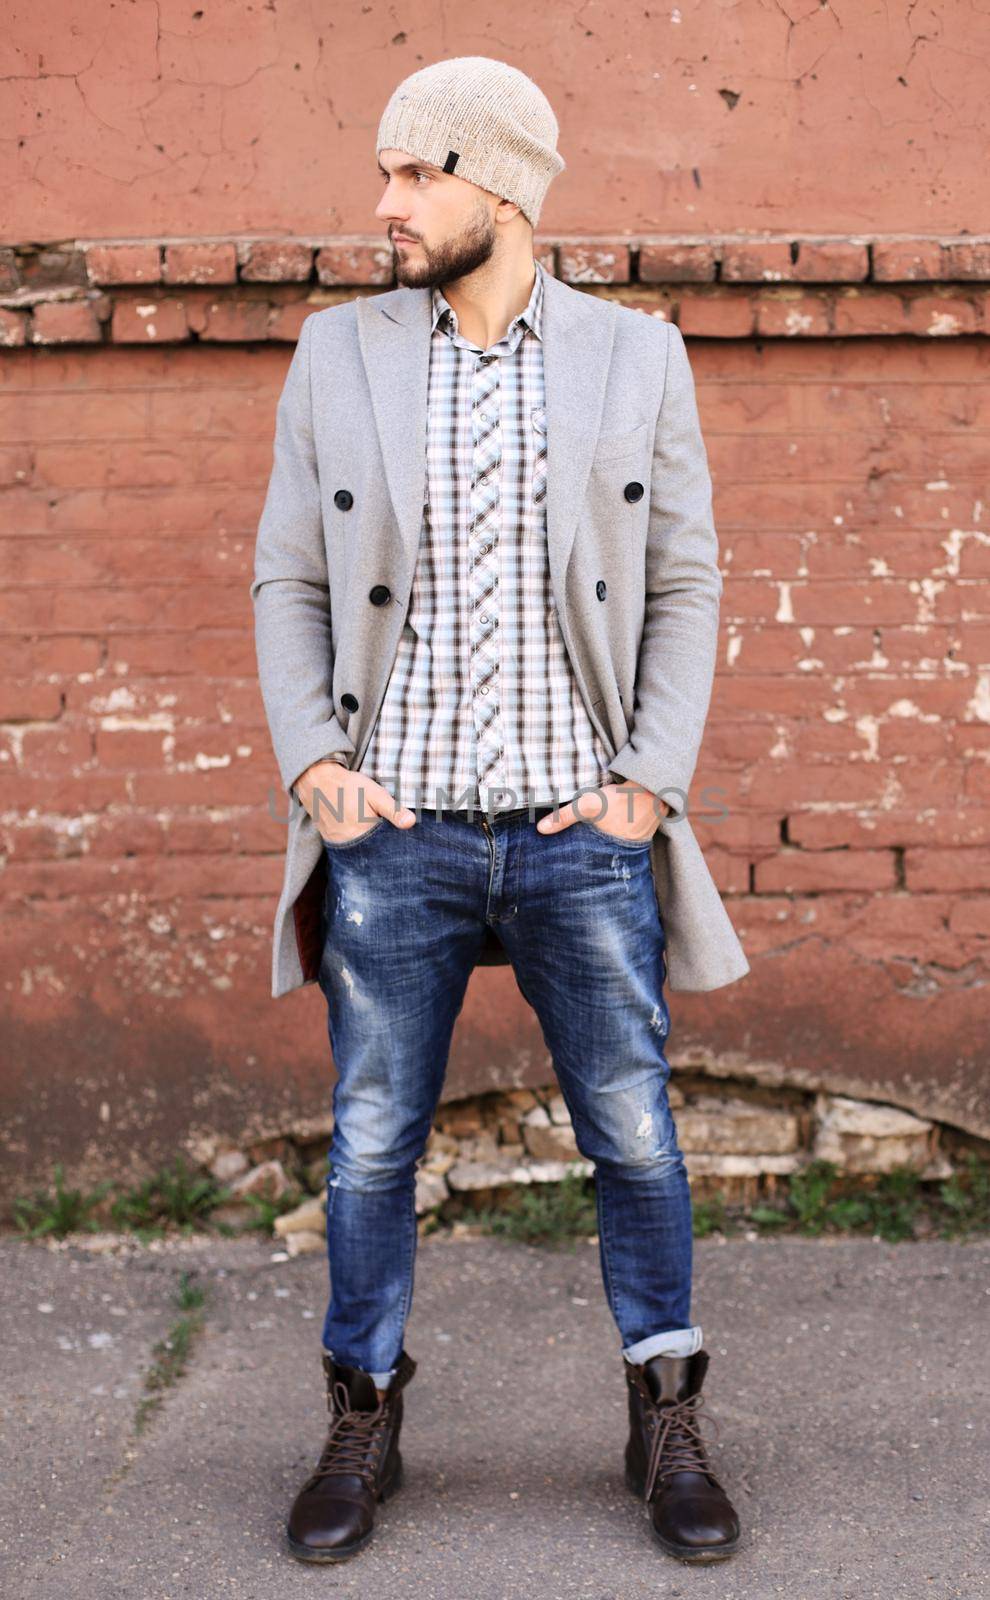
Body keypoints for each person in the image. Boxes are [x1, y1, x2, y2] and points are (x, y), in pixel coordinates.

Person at [251, 54, 748, 1567]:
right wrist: (313, 769)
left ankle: (663, 1412)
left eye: (416, 174)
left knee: (633, 1135)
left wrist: (646, 787)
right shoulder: (337, 354)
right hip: (390, 835)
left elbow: (682, 583)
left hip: (574, 834)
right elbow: (285, 573)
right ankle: (362, 1416)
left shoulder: (631, 358)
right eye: (385, 172)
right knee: (372, 1140)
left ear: (503, 187)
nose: (385, 203)